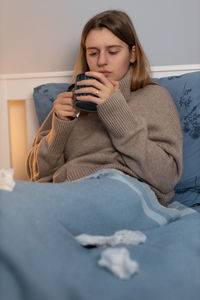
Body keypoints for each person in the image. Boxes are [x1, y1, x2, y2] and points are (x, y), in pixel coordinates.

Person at [26, 10, 183, 206]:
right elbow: (37, 177)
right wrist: (60, 128)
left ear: (132, 54)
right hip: (71, 194)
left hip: (125, 193)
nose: (101, 61)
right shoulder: (71, 100)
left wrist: (114, 110)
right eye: (93, 53)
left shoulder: (154, 97)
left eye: (113, 51)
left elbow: (166, 178)